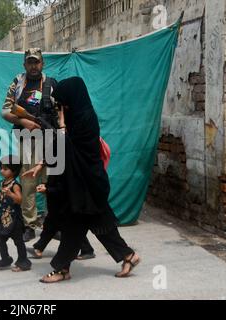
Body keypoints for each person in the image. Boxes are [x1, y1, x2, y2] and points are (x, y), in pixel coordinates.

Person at [23, 77, 140, 283]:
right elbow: (61, 149)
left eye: (63, 102)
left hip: (87, 184)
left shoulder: (85, 120)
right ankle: (128, 255)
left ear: (72, 98)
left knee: (73, 224)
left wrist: (60, 124)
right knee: (99, 221)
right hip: (84, 183)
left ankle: (62, 268)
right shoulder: (77, 115)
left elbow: (66, 147)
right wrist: (42, 163)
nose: (62, 107)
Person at [1, 48, 58, 242]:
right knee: (28, 183)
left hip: (50, 139)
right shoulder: (18, 83)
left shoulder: (51, 84)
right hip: (26, 139)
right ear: (24, 64)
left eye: (37, 62)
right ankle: (30, 225)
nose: (34, 66)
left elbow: (60, 112)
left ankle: (54, 224)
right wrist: (24, 122)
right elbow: (6, 111)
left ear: (43, 64)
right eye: (30, 62)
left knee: (52, 182)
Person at [29, 180, 96, 261]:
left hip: (69, 201)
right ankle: (39, 247)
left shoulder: (69, 169)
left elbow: (66, 186)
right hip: (60, 200)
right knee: (51, 223)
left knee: (72, 228)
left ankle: (87, 250)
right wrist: (46, 186)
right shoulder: (57, 169)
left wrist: (48, 189)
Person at [0, 156, 32, 272]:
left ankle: (23, 262)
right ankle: (6, 259)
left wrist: (11, 194)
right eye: (1, 168)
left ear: (14, 170)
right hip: (3, 218)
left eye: (5, 168)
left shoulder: (15, 185)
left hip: (14, 220)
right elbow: (0, 199)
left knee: (18, 241)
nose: (1, 170)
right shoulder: (2, 183)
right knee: (0, 238)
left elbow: (19, 199)